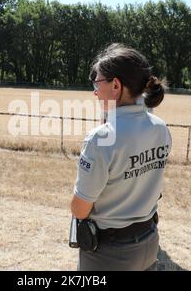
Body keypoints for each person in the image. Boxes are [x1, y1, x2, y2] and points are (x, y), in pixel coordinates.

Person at [71, 44, 172, 271]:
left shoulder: (101, 138)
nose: (95, 92)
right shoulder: (161, 128)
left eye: (97, 83)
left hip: (109, 253)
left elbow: (80, 209)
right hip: (149, 241)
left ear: (115, 85)